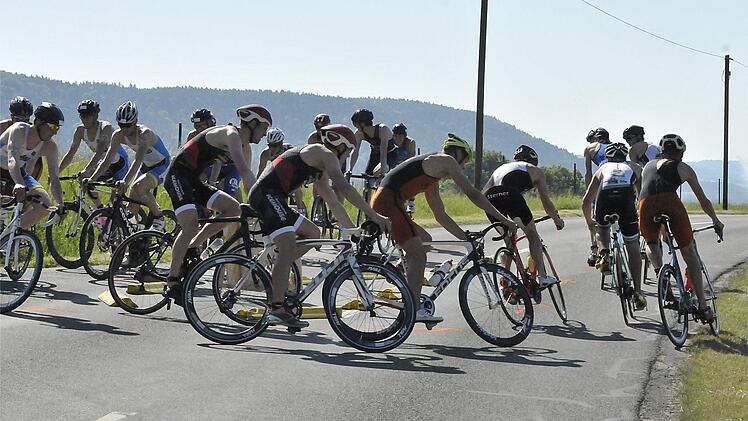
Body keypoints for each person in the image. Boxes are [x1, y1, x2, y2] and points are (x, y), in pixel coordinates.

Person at [248, 123, 390, 328]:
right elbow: (343, 186)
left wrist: (352, 231)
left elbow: (333, 201)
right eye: (348, 151)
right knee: (287, 246)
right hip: (266, 196)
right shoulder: (321, 152)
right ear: (339, 145)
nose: (347, 157)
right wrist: (374, 215)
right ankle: (276, 308)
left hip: (275, 197)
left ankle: (278, 270)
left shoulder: (320, 168)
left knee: (313, 232)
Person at [371, 133, 517, 324]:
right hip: (387, 202)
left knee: (425, 239)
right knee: (418, 254)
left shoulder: (432, 176)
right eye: (463, 161)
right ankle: (413, 309)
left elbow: (440, 215)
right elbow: (473, 194)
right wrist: (503, 220)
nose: (462, 167)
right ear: (457, 153)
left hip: (388, 202)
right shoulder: (445, 160)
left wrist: (464, 238)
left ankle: (399, 273)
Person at [162, 104, 267, 299]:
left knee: (233, 209)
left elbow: (248, 179)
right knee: (190, 223)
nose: (264, 135)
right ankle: (172, 280)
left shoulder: (245, 146)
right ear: (253, 124)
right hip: (178, 174)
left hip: (194, 179)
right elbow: (243, 169)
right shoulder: (231, 135)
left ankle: (192, 247)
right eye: (264, 129)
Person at [638, 134, 724, 322]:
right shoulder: (683, 167)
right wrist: (715, 220)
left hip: (645, 204)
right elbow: (703, 200)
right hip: (670, 203)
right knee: (689, 252)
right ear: (681, 152)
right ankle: (703, 308)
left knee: (650, 242)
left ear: (662, 151)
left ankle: (661, 274)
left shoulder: (647, 166)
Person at [483, 145, 564, 294]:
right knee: (532, 235)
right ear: (534, 160)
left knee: (508, 241)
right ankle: (543, 277)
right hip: (511, 195)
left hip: (490, 199)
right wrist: (556, 219)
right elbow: (546, 202)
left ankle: (505, 282)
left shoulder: (500, 169)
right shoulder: (534, 170)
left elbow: (483, 193)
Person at [85, 101, 170, 230]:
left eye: (128, 125)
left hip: (162, 165)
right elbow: (107, 160)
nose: (124, 129)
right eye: (121, 125)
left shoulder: (144, 134)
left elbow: (137, 159)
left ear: (135, 121)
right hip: (146, 166)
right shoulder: (118, 135)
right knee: (131, 208)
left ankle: (159, 218)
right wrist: (92, 179)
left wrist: (125, 181)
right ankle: (135, 235)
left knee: (139, 186)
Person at [582, 143, 646, 309]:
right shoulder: (635, 167)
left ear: (608, 157)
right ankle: (638, 292)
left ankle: (604, 254)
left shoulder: (602, 169)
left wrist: (591, 223)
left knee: (602, 229)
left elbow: (586, 201)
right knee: (632, 244)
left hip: (605, 198)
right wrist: (639, 214)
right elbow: (641, 197)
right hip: (626, 200)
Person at [0, 102, 66, 228]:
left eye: (57, 128)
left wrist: (61, 203)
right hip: (10, 168)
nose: (55, 132)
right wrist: (19, 183)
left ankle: (10, 234)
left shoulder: (50, 147)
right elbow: (12, 158)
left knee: (45, 205)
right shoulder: (19, 129)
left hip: (16, 172)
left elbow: (54, 177)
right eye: (52, 127)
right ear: (39, 122)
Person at [59, 100, 130, 207]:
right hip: (104, 164)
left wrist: (86, 169)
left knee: (115, 200)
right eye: (82, 116)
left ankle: (132, 221)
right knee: (85, 181)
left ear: (96, 115)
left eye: (88, 116)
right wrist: (56, 172)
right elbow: (70, 154)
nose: (85, 119)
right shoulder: (80, 131)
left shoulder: (105, 128)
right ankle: (101, 214)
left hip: (120, 164)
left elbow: (99, 152)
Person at [257, 127, 304, 212]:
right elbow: (260, 172)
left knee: (296, 186)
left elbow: (299, 164)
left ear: (281, 143)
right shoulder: (265, 154)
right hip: (277, 171)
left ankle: (301, 209)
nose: (272, 148)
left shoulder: (290, 150)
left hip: (291, 169)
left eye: (275, 145)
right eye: (270, 145)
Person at [583, 127, 611, 266]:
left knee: (594, 216)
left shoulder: (591, 148)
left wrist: (589, 191)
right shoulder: (614, 147)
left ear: (595, 139)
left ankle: (595, 250)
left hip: (602, 178)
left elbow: (588, 174)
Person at [1, 96, 43, 183]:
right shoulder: (2, 126)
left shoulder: (31, 131)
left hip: (19, 166)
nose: (22, 122)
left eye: (26, 120)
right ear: (12, 117)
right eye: (19, 119)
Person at [349, 109, 393, 176]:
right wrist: (350, 170)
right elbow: (355, 151)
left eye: (356, 124)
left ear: (362, 124)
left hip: (390, 156)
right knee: (367, 180)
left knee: (377, 172)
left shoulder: (383, 129)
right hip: (375, 156)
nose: (355, 127)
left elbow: (383, 151)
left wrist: (382, 172)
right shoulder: (359, 134)